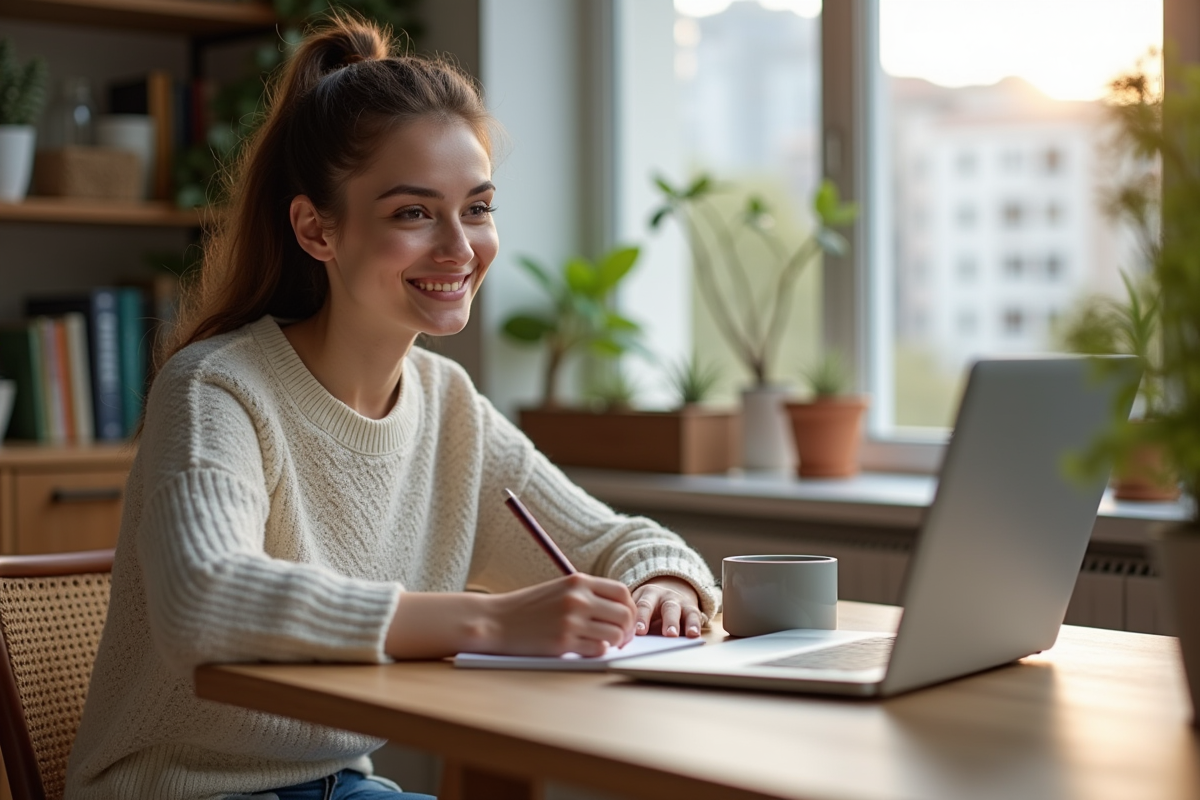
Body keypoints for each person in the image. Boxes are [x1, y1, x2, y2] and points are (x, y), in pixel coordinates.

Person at [64, 12, 719, 800]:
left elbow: (619, 540)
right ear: (316, 229)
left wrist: (667, 588)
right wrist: (490, 623)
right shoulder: (219, 389)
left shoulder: (448, 407)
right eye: (413, 213)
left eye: (477, 207)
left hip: (336, 786)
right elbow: (204, 600)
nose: (459, 247)